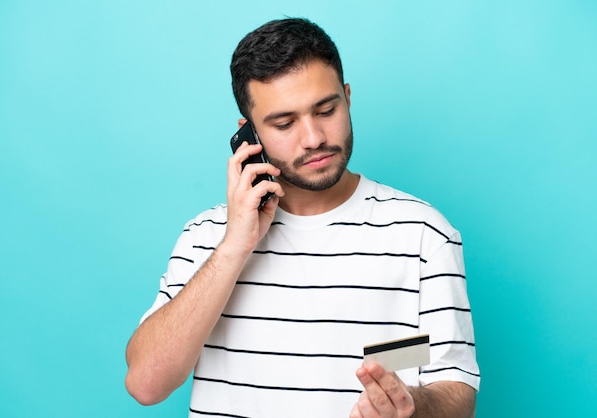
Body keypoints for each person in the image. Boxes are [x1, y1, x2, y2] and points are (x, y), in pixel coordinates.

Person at [125, 17, 480, 417]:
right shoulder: (206, 237)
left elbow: (457, 393)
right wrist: (233, 248)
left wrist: (413, 407)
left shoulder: (424, 235)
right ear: (249, 134)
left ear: (347, 98)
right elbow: (146, 384)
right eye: (284, 123)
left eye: (326, 109)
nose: (314, 138)